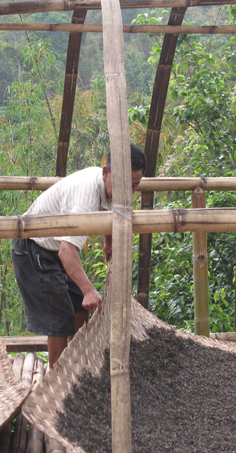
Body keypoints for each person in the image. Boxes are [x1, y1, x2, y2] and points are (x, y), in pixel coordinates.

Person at [11, 143, 147, 368]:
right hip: (32, 248)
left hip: (55, 249)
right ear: (106, 172)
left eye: (135, 185)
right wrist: (88, 290)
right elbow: (67, 252)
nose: (129, 192)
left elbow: (110, 210)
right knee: (60, 318)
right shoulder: (85, 198)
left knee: (79, 308)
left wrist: (109, 242)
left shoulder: (113, 188)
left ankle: (76, 368)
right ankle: (56, 381)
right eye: (125, 185)